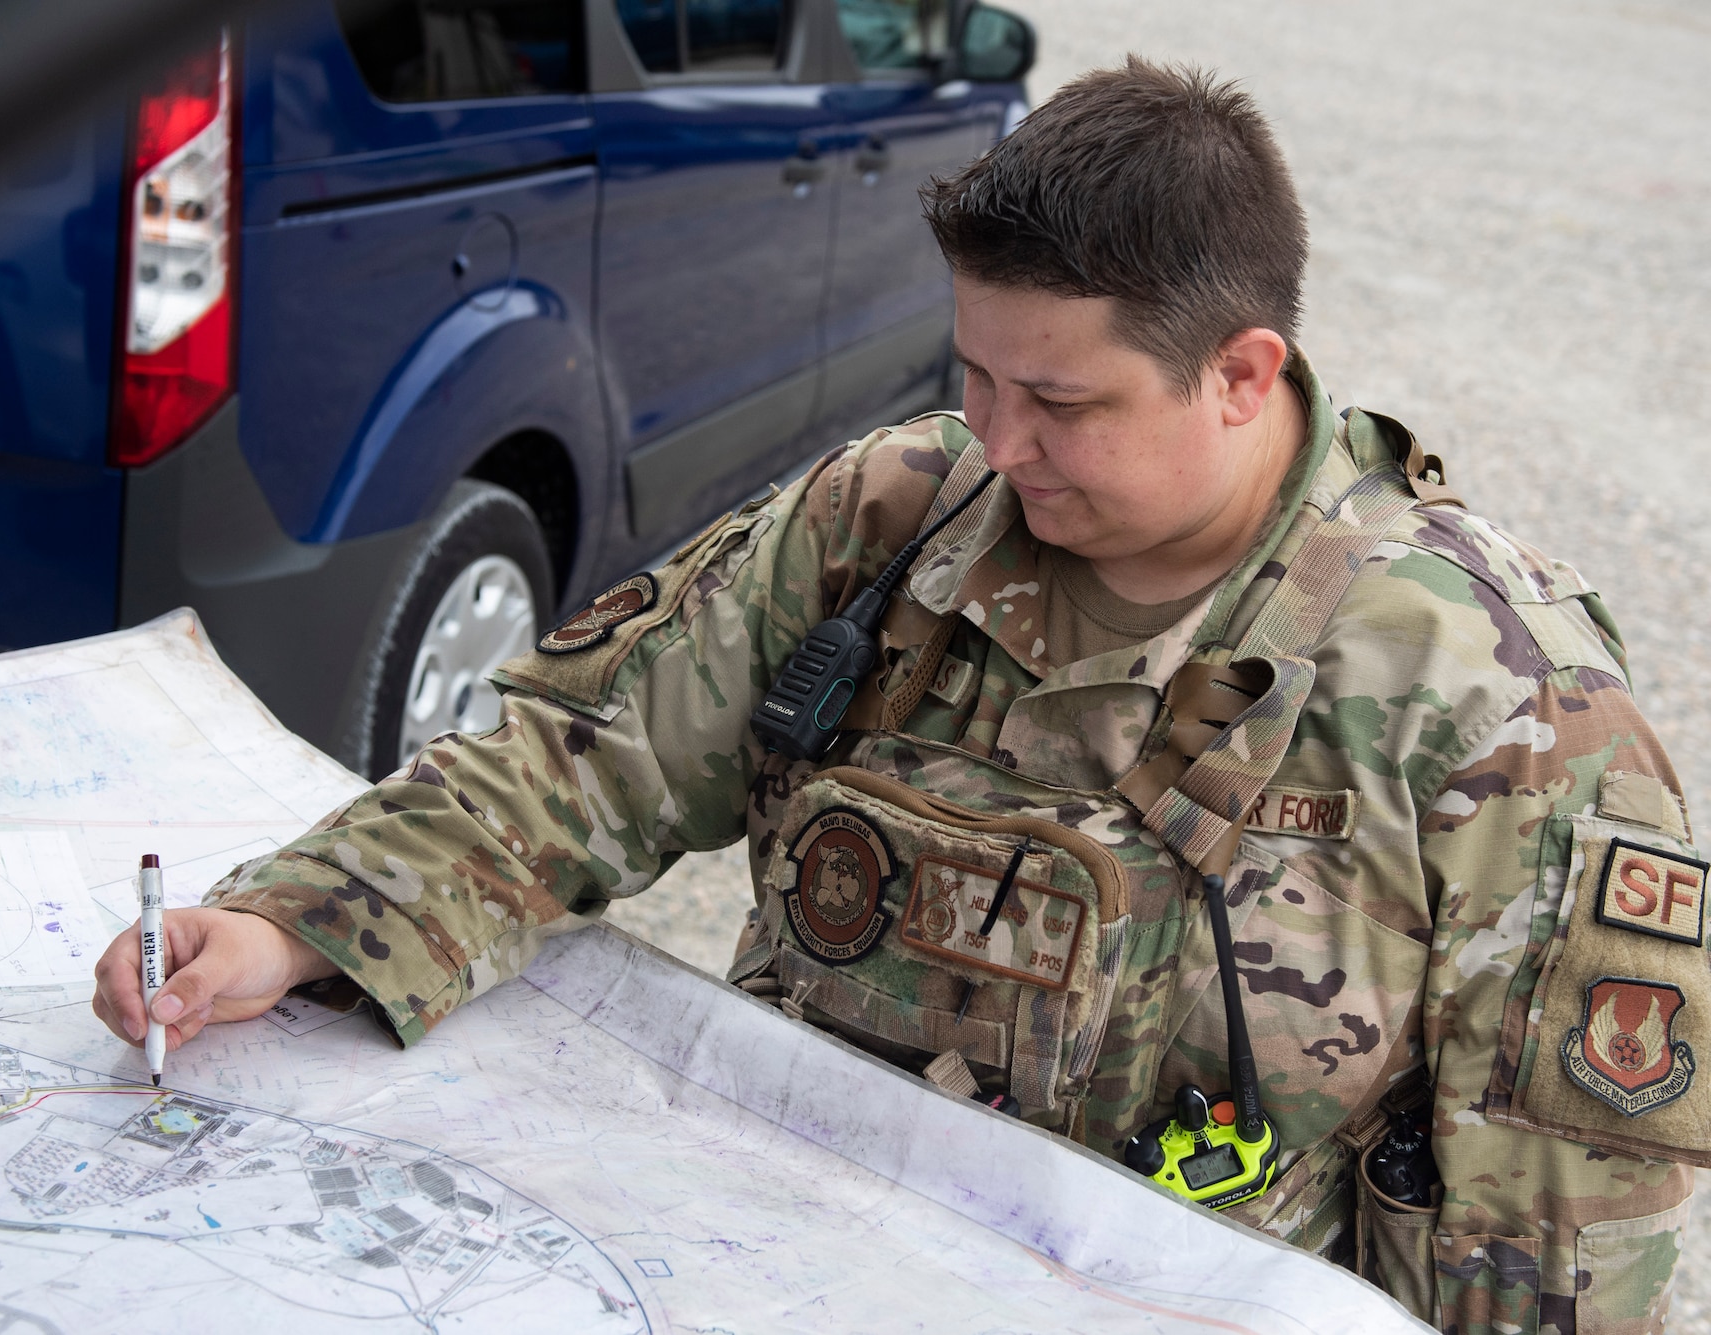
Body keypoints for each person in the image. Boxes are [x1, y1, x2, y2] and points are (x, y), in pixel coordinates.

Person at [93, 58, 1704, 1333]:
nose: (994, 444)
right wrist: (299, 922)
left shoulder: (1503, 702)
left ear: (1242, 373)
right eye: (973, 375)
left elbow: (1554, 1233)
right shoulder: (891, 515)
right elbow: (581, 757)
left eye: (1059, 401)